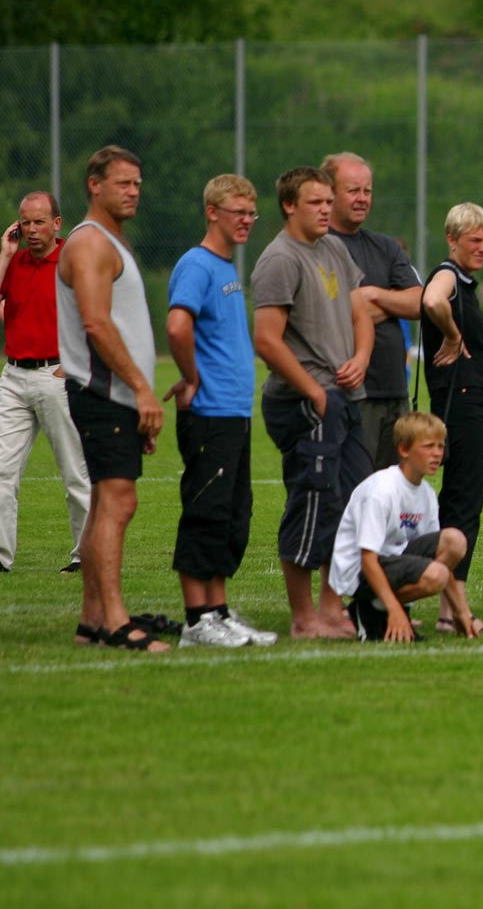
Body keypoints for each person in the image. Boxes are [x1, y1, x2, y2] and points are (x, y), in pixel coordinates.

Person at [251, 165, 375, 640]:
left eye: (329, 201)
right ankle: (304, 618)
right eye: (316, 203)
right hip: (306, 401)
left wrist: (361, 356)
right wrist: (314, 390)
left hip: (342, 397)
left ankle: (332, 609)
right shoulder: (280, 259)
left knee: (352, 502)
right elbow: (267, 339)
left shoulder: (333, 248)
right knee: (313, 502)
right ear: (289, 205)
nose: (327, 209)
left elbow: (359, 309)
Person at [56, 145, 168, 651]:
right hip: (103, 394)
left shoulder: (110, 242)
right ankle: (118, 623)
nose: (133, 192)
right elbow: (96, 324)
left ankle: (91, 623)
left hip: (114, 397)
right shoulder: (90, 244)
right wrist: (141, 390)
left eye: (137, 184)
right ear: (94, 185)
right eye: (123, 183)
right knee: (119, 503)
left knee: (106, 501)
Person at [164, 175, 276, 647]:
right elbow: (176, 326)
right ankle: (196, 621)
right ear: (212, 212)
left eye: (251, 213)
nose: (247, 220)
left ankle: (218, 611)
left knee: (233, 515)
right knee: (206, 511)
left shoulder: (225, 266)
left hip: (233, 412)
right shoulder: (196, 264)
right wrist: (191, 378)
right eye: (238, 212)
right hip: (209, 411)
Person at [419, 202, 483, 637]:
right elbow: (432, 298)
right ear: (453, 240)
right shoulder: (448, 275)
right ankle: (454, 614)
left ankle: (452, 610)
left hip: (475, 402)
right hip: (463, 402)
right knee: (462, 504)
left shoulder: (467, 283)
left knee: (463, 501)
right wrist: (453, 335)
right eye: (476, 240)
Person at [0, 191, 89, 575]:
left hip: (57, 376)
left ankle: (85, 556)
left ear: (57, 223)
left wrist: (75, 365)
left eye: (39, 221)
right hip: (14, 375)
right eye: (25, 221)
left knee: (74, 472)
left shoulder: (74, 260)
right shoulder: (14, 262)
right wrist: (4, 255)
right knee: (2, 471)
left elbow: (98, 310)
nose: (31, 229)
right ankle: (1, 557)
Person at [330, 412, 473, 642]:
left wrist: (462, 612)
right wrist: (395, 609)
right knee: (436, 575)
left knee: (455, 541)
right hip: (361, 572)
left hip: (393, 563)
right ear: (404, 450)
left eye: (440, 446)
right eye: (428, 446)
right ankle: (372, 611)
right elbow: (367, 558)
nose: (437, 453)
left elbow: (437, 553)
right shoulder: (382, 490)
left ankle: (382, 609)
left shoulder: (425, 492)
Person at [322, 153, 423, 469]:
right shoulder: (316, 247)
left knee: (393, 495)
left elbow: (419, 301)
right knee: (351, 495)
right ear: (330, 192)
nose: (362, 198)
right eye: (353, 190)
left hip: (394, 391)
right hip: (347, 394)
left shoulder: (386, 247)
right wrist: (391, 304)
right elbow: (328, 313)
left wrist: (373, 295)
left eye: (367, 191)